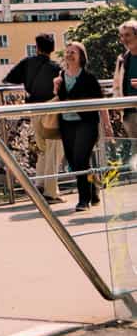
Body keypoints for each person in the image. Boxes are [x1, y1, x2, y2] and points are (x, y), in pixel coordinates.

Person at [4, 33, 63, 201]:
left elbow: (10, 78)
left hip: (33, 109)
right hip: (50, 109)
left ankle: (40, 184)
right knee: (54, 150)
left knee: (42, 149)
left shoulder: (27, 63)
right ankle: (51, 191)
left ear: (36, 47)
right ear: (52, 49)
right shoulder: (56, 67)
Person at [55, 41, 109, 212]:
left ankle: (83, 200)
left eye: (73, 52)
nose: (69, 55)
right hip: (67, 124)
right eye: (68, 52)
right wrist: (56, 87)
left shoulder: (88, 78)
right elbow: (58, 99)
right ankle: (93, 189)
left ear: (81, 56)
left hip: (86, 123)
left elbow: (100, 102)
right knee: (74, 161)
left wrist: (107, 124)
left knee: (80, 160)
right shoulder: (61, 76)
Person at [113, 20, 137, 145]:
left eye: (127, 35)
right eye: (121, 36)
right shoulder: (122, 59)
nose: (124, 39)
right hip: (129, 114)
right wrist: (117, 104)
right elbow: (116, 85)